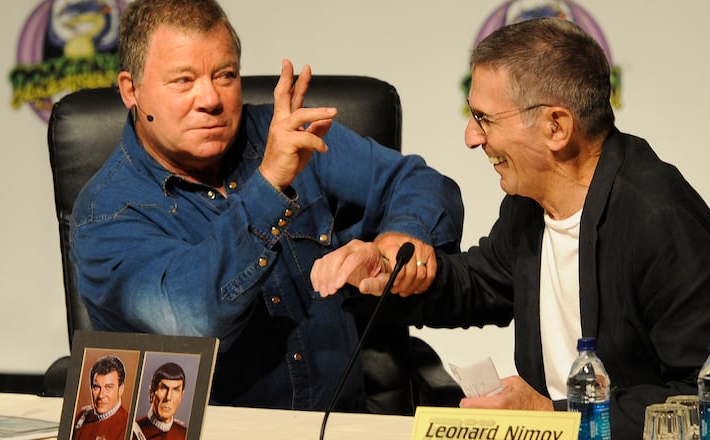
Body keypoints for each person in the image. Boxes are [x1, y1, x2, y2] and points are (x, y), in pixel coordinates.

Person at [312, 17, 710, 438]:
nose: (471, 136)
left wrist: (554, 419)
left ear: (556, 127)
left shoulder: (658, 219)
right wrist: (387, 277)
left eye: (484, 118)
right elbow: (480, 283)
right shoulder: (529, 205)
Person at [70, 0, 463, 412]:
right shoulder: (106, 213)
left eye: (224, 76)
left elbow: (419, 182)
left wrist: (403, 235)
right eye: (183, 81)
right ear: (131, 90)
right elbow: (191, 324)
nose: (210, 99)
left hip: (342, 424)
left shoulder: (281, 134)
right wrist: (270, 183)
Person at [73, 355, 129, 440]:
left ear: (121, 389)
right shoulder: (82, 417)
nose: (101, 395)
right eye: (96, 387)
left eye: (108, 387)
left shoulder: (127, 427)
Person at [132, 362, 188, 440]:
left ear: (181, 396)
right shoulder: (132, 432)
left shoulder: (185, 433)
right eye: (163, 388)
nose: (168, 397)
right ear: (152, 392)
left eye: (175, 390)